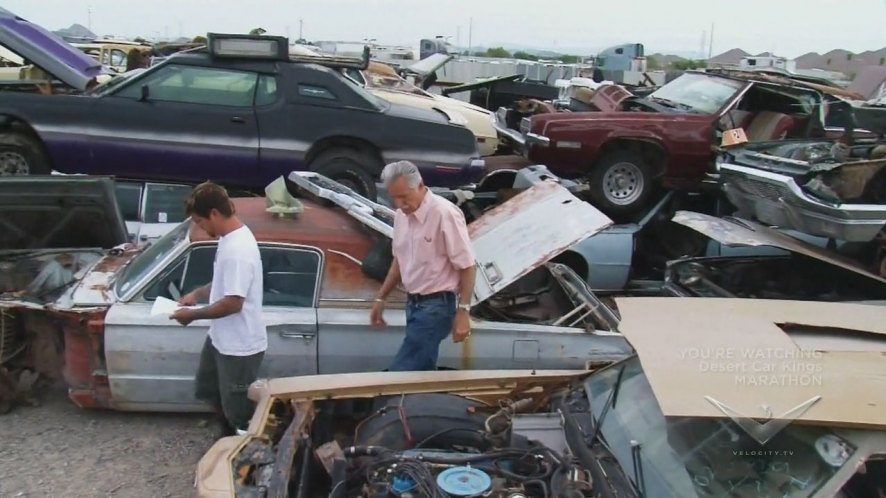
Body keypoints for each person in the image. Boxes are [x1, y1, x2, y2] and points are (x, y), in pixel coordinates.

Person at [170, 182, 266, 435]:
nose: (201, 227)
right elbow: (224, 282)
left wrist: (192, 316)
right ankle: (224, 438)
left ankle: (243, 456)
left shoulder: (238, 250)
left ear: (214, 213)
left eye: (200, 221)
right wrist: (197, 294)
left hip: (239, 346)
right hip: (220, 338)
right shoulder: (228, 239)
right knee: (209, 389)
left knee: (240, 411)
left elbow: (234, 303)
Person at [370, 161, 476, 371]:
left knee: (404, 369)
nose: (399, 204)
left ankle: (386, 402)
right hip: (413, 304)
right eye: (394, 197)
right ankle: (419, 403)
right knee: (422, 370)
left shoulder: (444, 214)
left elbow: (467, 266)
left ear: (420, 185)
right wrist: (381, 298)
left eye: (404, 197)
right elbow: (399, 260)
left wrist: (463, 312)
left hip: (437, 306)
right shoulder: (401, 216)